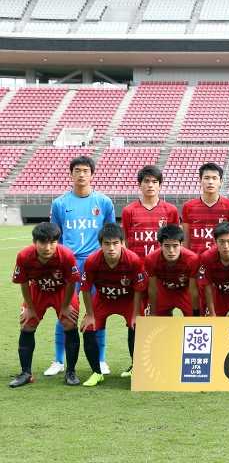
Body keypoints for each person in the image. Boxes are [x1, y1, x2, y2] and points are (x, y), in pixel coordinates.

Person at [49, 155, 115, 376]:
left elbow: (111, 235)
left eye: (85, 170)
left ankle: (101, 360)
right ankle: (58, 361)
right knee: (65, 311)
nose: (81, 174)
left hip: (96, 264)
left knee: (97, 312)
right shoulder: (59, 203)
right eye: (77, 170)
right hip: (68, 264)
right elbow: (54, 237)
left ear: (92, 174)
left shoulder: (104, 202)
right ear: (71, 173)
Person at [10, 223, 82, 387]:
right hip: (38, 290)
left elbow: (71, 283)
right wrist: (29, 307)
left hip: (62, 291)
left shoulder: (66, 255)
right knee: (27, 324)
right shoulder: (24, 256)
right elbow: (24, 283)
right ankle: (26, 373)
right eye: (43, 242)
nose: (47, 247)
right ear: (34, 241)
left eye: (52, 242)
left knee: (69, 323)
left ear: (57, 241)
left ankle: (70, 371)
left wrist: (65, 306)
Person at [77, 223, 147, 386]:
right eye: (107, 243)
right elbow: (86, 289)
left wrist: (136, 314)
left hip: (128, 299)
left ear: (122, 243)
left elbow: (138, 288)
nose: (111, 247)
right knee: (88, 329)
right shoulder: (92, 261)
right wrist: (90, 315)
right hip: (103, 299)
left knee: (137, 326)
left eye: (115, 243)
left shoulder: (133, 259)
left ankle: (135, 367)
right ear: (100, 244)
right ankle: (96, 372)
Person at [182, 163, 229, 313]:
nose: (210, 182)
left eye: (214, 178)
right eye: (206, 178)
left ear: (221, 181)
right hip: (197, 263)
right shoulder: (189, 206)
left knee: (219, 310)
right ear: (200, 181)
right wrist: (187, 260)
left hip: (221, 265)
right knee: (198, 309)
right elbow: (186, 236)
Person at [121, 165, 180, 258]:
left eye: (154, 182)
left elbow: (175, 240)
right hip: (137, 265)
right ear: (139, 185)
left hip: (162, 265)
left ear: (160, 185)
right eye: (146, 181)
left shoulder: (171, 210)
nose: (150, 185)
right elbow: (127, 241)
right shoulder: (128, 211)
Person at [145, 225, 200, 317]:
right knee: (153, 321)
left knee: (194, 320)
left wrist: (196, 311)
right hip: (163, 291)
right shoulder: (151, 259)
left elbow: (193, 288)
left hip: (184, 291)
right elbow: (153, 287)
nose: (171, 250)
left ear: (181, 245)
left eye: (175, 246)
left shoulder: (192, 259)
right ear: (160, 245)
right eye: (167, 246)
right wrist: (153, 312)